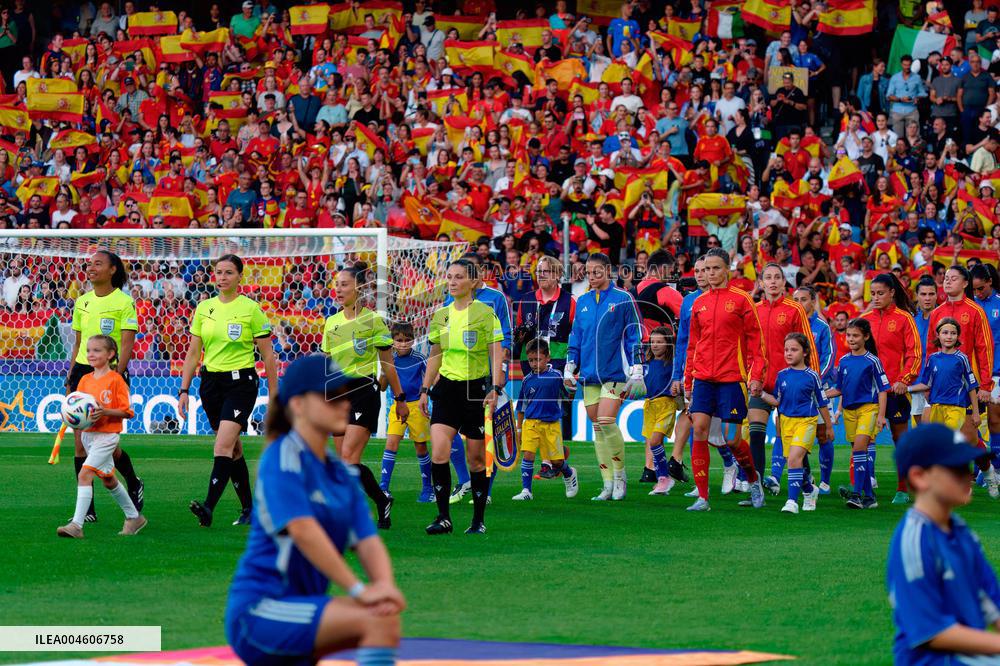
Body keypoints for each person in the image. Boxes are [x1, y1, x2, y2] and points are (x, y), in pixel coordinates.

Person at [225, 354, 405, 666]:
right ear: (298, 405)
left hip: (301, 608)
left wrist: (385, 586)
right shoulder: (283, 457)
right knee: (377, 621)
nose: (344, 403)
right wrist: (360, 590)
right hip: (260, 610)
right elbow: (303, 530)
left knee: (382, 615)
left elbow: (367, 539)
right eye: (331, 396)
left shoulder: (340, 473)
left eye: (344, 394)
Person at [887, 424, 1000, 665]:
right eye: (956, 468)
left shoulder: (961, 531)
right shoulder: (914, 540)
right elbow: (931, 632)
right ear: (919, 477)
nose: (968, 474)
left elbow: (990, 600)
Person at [179, 254, 279, 528]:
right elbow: (193, 352)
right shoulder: (204, 308)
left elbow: (268, 356)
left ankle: (208, 507)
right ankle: (249, 509)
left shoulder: (251, 309)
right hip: (210, 384)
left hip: (241, 383)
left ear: (239, 277)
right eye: (218, 272)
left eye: (228, 273)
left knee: (222, 445)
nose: (222, 277)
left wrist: (274, 394)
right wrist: (184, 389)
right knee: (233, 449)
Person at [419, 259, 505, 535]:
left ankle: (478, 520)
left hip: (475, 391)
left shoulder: (485, 313)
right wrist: (424, 389)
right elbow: (436, 354)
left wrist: (495, 387)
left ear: (473, 282)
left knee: (477, 460)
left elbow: (496, 352)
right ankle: (443, 517)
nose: (452, 282)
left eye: (458, 277)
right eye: (450, 277)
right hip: (446, 390)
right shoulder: (441, 315)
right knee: (440, 451)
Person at [321, 264, 408, 528]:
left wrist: (400, 398)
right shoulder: (331, 322)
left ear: (359, 288)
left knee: (348, 458)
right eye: (337, 284)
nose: (338, 289)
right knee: (345, 465)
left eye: (344, 284)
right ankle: (380, 501)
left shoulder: (374, 322)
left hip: (363, 392)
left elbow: (388, 364)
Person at [682, 248, 766, 511]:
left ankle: (753, 479)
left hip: (732, 378)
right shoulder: (699, 303)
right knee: (699, 429)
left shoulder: (742, 300)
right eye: (706, 269)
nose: (710, 274)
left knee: (731, 438)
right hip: (703, 377)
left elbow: (756, 343)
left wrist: (756, 375)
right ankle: (703, 497)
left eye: (715, 268)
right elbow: (692, 345)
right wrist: (688, 381)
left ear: (727, 269)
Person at [66, 250, 143, 523]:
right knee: (80, 443)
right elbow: (77, 342)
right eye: (89, 263)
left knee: (106, 443)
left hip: (110, 372)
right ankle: (87, 509)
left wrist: (116, 375)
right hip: (82, 372)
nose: (91, 267)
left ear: (112, 270)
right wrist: (71, 373)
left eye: (98, 263)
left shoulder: (124, 302)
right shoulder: (82, 301)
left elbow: (126, 342)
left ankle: (132, 481)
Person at [564, 252, 643, 501]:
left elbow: (633, 335)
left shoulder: (623, 299)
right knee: (597, 426)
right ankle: (607, 484)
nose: (592, 276)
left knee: (606, 420)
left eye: (597, 271)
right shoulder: (583, 301)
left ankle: (620, 477)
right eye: (588, 272)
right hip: (588, 374)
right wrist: (570, 364)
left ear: (609, 271)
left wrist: (637, 366)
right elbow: (576, 336)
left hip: (615, 372)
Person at [57, 335, 145, 538]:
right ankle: (134, 518)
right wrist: (72, 418)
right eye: (88, 350)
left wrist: (104, 411)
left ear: (110, 354)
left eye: (96, 350)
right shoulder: (85, 380)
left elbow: (127, 411)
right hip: (89, 436)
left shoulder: (116, 379)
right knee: (108, 480)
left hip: (107, 437)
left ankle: (77, 526)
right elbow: (77, 410)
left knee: (84, 475)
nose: (90, 354)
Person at [444, 252, 511, 504]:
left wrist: (500, 369)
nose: (459, 279)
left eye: (466, 272)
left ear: (478, 274)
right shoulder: (449, 301)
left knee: (486, 434)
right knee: (446, 432)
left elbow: (507, 335)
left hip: (484, 375)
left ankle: (486, 490)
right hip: (454, 376)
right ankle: (465, 481)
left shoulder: (496, 299)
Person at [753, 263, 818, 498]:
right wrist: (751, 376)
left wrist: (812, 380)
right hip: (760, 382)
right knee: (756, 432)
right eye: (767, 277)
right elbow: (750, 347)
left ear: (783, 283)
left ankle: (806, 482)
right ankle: (756, 487)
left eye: (777, 277)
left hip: (789, 384)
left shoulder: (794, 309)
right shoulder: (754, 309)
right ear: (761, 283)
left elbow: (808, 345)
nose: (772, 281)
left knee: (789, 439)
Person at [927, 266, 996, 482]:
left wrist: (985, 385)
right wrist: (928, 383)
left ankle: (987, 469)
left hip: (967, 387)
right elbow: (931, 350)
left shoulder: (976, 311)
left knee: (968, 437)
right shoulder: (937, 312)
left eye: (953, 278)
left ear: (965, 283)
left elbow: (985, 348)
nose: (947, 282)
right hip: (941, 387)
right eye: (946, 278)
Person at [860, 273, 922, 505]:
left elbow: (915, 353)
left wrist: (904, 380)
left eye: (880, 293)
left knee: (900, 439)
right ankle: (862, 488)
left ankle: (903, 488)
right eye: (872, 294)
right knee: (863, 439)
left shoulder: (905, 319)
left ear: (892, 292)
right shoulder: (865, 319)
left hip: (895, 390)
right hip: (868, 391)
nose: (875, 298)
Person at [762, 332, 832, 514]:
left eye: (794, 349)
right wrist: (760, 394)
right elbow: (777, 401)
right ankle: (809, 490)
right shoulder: (782, 375)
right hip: (786, 422)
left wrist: (829, 426)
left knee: (793, 459)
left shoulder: (812, 376)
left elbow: (822, 402)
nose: (789, 353)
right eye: (786, 350)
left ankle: (792, 501)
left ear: (805, 352)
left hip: (806, 422)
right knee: (796, 463)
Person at [825, 318, 889, 510]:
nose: (851, 339)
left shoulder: (872, 361)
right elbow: (839, 389)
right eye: (848, 335)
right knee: (859, 452)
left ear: (866, 337)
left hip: (868, 409)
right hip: (849, 412)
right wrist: (820, 393)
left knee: (860, 449)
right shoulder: (844, 361)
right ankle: (870, 496)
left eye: (855, 335)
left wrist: (881, 415)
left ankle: (856, 493)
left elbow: (883, 389)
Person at [513, 338, 578, 500]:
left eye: (538, 360)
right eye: (531, 360)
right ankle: (526, 491)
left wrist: (572, 389)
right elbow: (521, 407)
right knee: (528, 454)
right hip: (531, 424)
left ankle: (569, 474)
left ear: (548, 358)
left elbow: (567, 397)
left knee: (556, 462)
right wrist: (519, 429)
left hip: (551, 425)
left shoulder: (556, 376)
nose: (534, 364)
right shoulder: (527, 380)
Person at [378, 322, 432, 503]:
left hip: (417, 406)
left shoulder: (419, 358)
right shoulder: (389, 359)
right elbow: (382, 387)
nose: (403, 344)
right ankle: (383, 487)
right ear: (392, 341)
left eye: (407, 340)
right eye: (399, 340)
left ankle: (427, 489)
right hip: (397, 406)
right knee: (391, 444)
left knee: (421, 447)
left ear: (413, 341)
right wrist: (384, 372)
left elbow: (431, 377)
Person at [792, 285, 836, 493]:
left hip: (819, 386)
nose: (799, 303)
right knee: (795, 432)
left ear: (812, 301)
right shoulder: (793, 325)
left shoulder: (822, 326)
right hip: (795, 387)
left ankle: (825, 481)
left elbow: (828, 356)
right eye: (795, 299)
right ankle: (806, 475)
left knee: (822, 434)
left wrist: (816, 380)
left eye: (803, 299)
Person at [910, 318, 981, 432]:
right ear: (938, 335)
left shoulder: (962, 358)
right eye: (945, 333)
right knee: (938, 442)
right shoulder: (933, 358)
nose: (949, 337)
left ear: (958, 336)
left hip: (955, 407)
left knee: (948, 438)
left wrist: (976, 413)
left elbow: (971, 387)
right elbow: (926, 384)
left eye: (953, 333)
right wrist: (907, 389)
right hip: (936, 407)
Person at [971, 264, 1000, 483]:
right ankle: (982, 465)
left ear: (990, 282)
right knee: (969, 422)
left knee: (994, 419)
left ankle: (996, 467)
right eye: (974, 289)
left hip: (996, 369)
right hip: (972, 372)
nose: (978, 293)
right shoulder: (970, 306)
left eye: (981, 288)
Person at [642, 326, 677, 496]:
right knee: (655, 443)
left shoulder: (672, 364)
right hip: (650, 406)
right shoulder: (646, 364)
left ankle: (664, 477)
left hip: (666, 405)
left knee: (655, 441)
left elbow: (679, 384)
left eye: (659, 342)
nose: (655, 345)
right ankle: (663, 478)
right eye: (652, 341)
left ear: (668, 344)